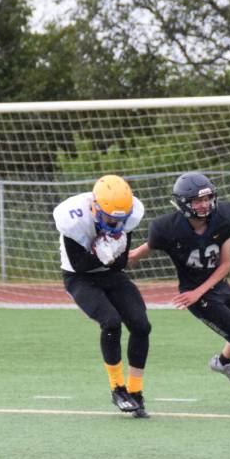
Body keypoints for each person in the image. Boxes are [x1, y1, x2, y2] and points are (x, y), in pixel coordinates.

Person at [128, 172, 230, 410]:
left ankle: (222, 362)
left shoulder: (224, 217)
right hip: (195, 295)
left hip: (213, 287)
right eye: (197, 201)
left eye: (207, 198)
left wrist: (200, 290)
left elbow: (225, 265)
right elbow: (143, 250)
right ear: (183, 203)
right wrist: (121, 260)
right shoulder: (166, 228)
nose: (203, 205)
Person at [53, 175, 152, 418]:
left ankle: (136, 392)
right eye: (109, 218)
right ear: (94, 208)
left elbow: (119, 265)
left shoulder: (128, 216)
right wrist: (102, 252)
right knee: (111, 322)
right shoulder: (73, 218)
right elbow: (79, 265)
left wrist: (110, 254)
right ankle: (118, 389)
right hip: (79, 277)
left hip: (110, 274)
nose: (115, 224)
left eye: (120, 220)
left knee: (141, 325)